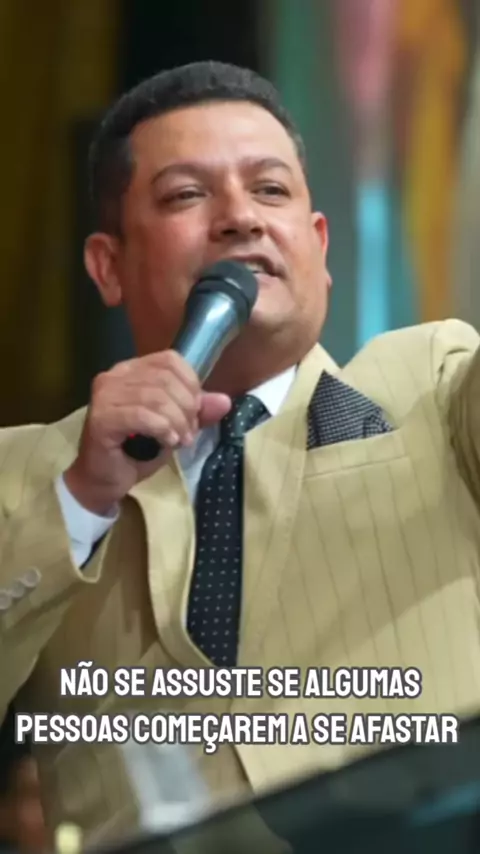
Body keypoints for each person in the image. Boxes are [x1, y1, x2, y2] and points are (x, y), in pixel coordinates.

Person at [1, 59, 480, 847]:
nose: (240, 218)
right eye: (188, 195)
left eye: (270, 189)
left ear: (319, 245)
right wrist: (80, 500)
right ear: (108, 266)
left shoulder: (434, 387)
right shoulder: (26, 474)